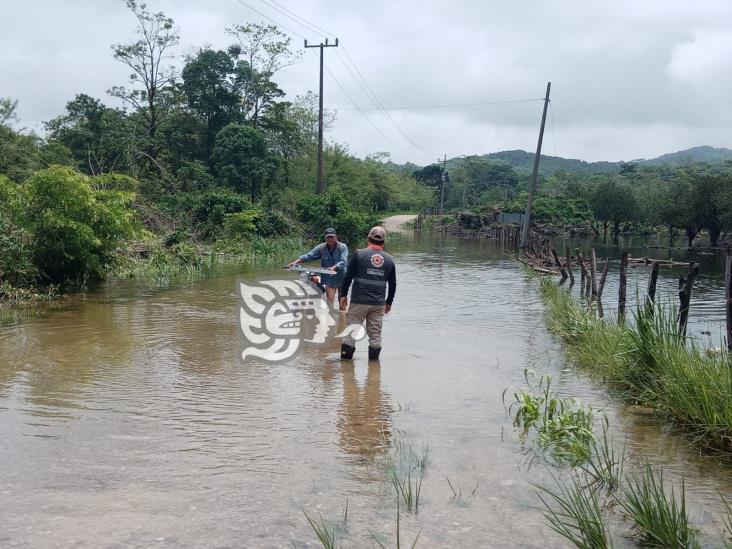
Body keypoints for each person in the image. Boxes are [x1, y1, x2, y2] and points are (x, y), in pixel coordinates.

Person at [339, 226, 396, 361]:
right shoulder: (390, 259)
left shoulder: (359, 254)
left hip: (359, 301)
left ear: (368, 239)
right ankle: (374, 371)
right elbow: (393, 284)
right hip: (378, 304)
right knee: (375, 336)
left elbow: (348, 276)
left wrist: (343, 295)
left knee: (351, 333)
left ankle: (346, 368)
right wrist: (389, 302)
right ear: (384, 242)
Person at [288, 228, 348, 310]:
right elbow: (308, 256)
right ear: (325, 238)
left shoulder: (342, 247)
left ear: (336, 237)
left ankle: (342, 318)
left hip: (342, 276)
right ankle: (331, 317)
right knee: (330, 302)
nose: (330, 239)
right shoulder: (321, 248)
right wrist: (295, 263)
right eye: (328, 237)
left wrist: (333, 267)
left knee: (342, 302)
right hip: (329, 278)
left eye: (332, 237)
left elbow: (343, 261)